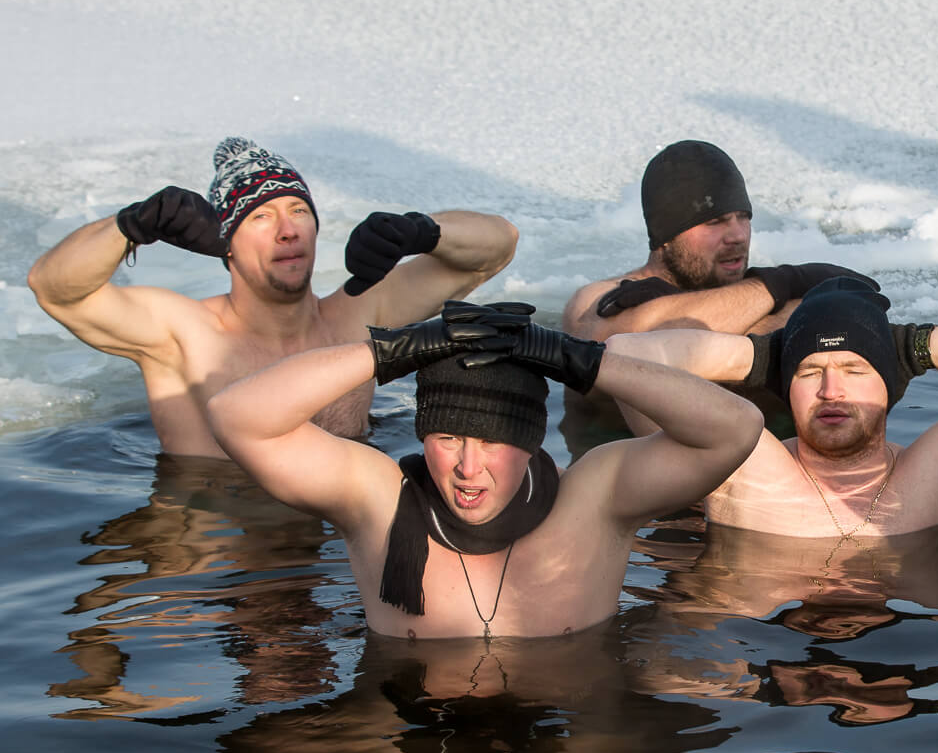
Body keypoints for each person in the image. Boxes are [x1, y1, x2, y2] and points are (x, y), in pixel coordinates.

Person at [205, 302, 763, 638]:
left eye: (493, 441)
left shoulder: (595, 500)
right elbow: (236, 417)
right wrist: (392, 352)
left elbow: (736, 429)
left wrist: (580, 360)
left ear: (531, 441)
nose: (468, 468)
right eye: (448, 438)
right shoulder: (375, 500)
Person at [27, 137, 519, 458]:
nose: (287, 231)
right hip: (222, 555)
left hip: (340, 542)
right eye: (260, 217)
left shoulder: (359, 313)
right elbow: (55, 290)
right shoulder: (184, 333)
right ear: (225, 243)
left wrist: (421, 230)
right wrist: (132, 225)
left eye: (298, 211)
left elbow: (496, 248)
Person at [607, 277, 938, 538]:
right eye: (809, 372)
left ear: (891, 383)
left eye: (855, 369)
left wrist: (915, 347)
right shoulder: (740, 466)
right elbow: (625, 356)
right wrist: (763, 355)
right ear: (784, 386)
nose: (831, 390)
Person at [560, 140, 872, 341]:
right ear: (665, 235)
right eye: (714, 222)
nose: (738, 236)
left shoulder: (754, 299)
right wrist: (782, 283)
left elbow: (857, 316)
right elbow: (626, 342)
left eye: (743, 217)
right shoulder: (594, 301)